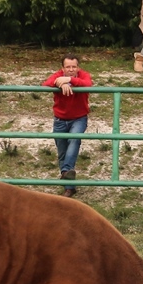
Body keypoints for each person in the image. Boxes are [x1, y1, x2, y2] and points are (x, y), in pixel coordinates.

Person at [42, 55, 93, 198]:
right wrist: (60, 83)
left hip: (79, 119)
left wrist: (70, 80)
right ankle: (69, 187)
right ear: (63, 68)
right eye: (68, 67)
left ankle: (65, 172)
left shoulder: (83, 75)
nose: (71, 70)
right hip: (59, 119)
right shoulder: (58, 76)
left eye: (74, 67)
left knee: (74, 139)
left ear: (78, 67)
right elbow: (46, 84)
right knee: (62, 153)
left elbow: (88, 84)